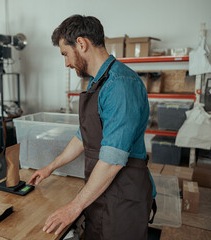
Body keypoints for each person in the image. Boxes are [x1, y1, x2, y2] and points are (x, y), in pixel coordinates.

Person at [28, 15, 156, 240]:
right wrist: (50, 167)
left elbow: (112, 161)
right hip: (101, 191)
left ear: (81, 44)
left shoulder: (120, 85)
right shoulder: (98, 82)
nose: (66, 63)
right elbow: (83, 136)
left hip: (123, 197)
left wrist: (73, 207)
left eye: (65, 54)